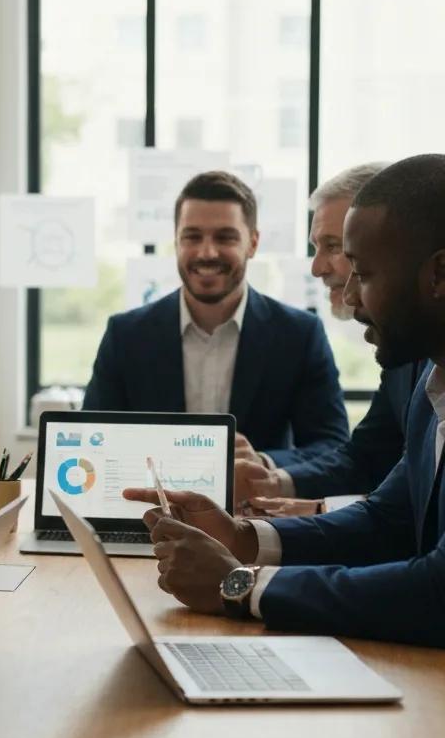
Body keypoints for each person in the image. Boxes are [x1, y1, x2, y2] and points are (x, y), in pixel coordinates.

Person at [124, 153, 445, 648]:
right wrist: (241, 537)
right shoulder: (431, 381)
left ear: (439, 275)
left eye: (364, 273)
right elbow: (389, 518)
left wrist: (242, 585)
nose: (351, 297)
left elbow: (436, 591)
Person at [83, 170, 349, 466]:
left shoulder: (299, 335)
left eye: (225, 237)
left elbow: (332, 445)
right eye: (192, 237)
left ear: (253, 243)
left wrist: (262, 463)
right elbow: (93, 440)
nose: (207, 252)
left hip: (252, 510)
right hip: (148, 507)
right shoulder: (125, 336)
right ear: (176, 242)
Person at [235, 162, 425, 516]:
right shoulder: (404, 348)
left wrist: (317, 510)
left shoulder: (415, 344)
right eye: (316, 247)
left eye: (335, 247)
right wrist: (274, 484)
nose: (317, 267)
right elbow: (367, 458)